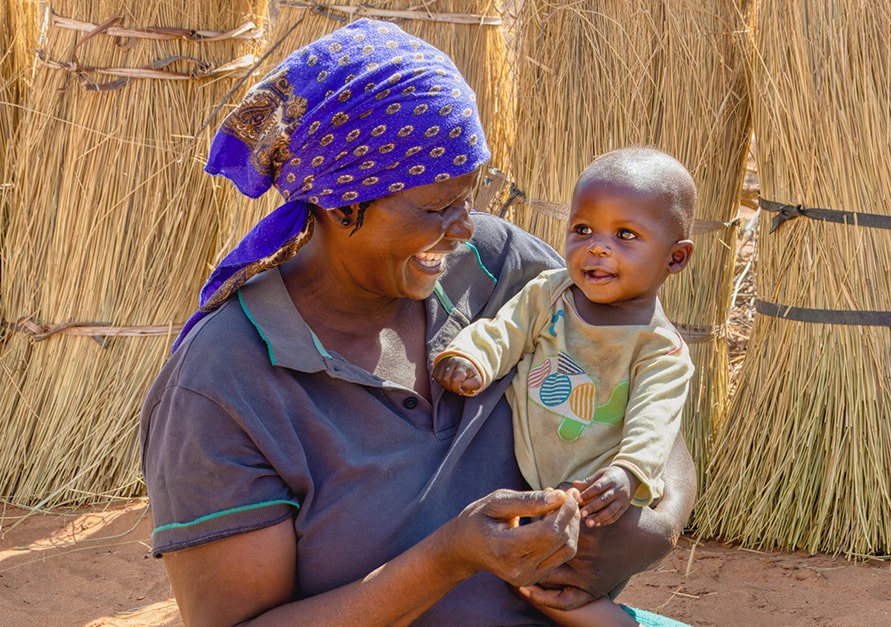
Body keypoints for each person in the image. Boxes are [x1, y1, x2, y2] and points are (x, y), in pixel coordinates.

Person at [138, 18, 695, 626]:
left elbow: (648, 380)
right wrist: (448, 559)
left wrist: (652, 528)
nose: (462, 228)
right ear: (340, 200)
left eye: (469, 196)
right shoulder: (225, 382)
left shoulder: (501, 267)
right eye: (435, 207)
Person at [433, 147, 696, 626]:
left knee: (563, 581)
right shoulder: (551, 294)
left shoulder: (661, 351)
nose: (597, 247)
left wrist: (628, 474)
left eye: (625, 235)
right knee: (523, 567)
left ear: (675, 258)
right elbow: (505, 329)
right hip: (532, 483)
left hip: (597, 496)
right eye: (582, 230)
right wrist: (473, 359)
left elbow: (654, 425)